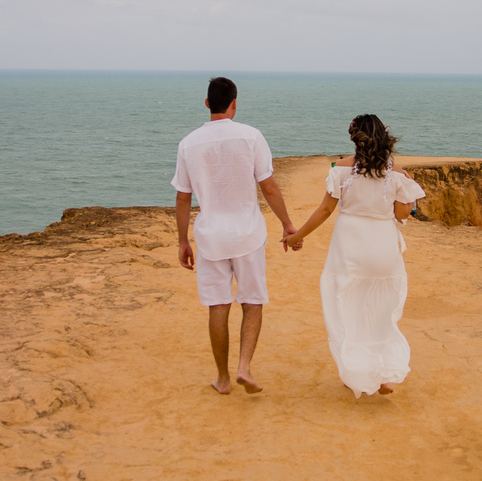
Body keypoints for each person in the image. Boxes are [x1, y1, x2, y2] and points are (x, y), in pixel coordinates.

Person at [172, 77, 300, 395]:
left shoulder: (188, 143)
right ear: (234, 103)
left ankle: (223, 378)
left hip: (210, 238)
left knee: (218, 306)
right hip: (248, 234)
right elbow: (268, 185)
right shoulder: (251, 136)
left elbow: (183, 197)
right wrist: (287, 223)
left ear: (206, 104)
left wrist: (183, 240)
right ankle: (244, 366)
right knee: (252, 301)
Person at [283, 114, 424, 397]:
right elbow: (401, 213)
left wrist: (296, 236)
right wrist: (409, 193)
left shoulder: (339, 171)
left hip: (349, 249)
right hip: (382, 248)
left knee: (347, 313)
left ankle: (354, 373)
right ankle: (383, 376)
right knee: (380, 314)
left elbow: (324, 211)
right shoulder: (396, 174)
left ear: (354, 137)